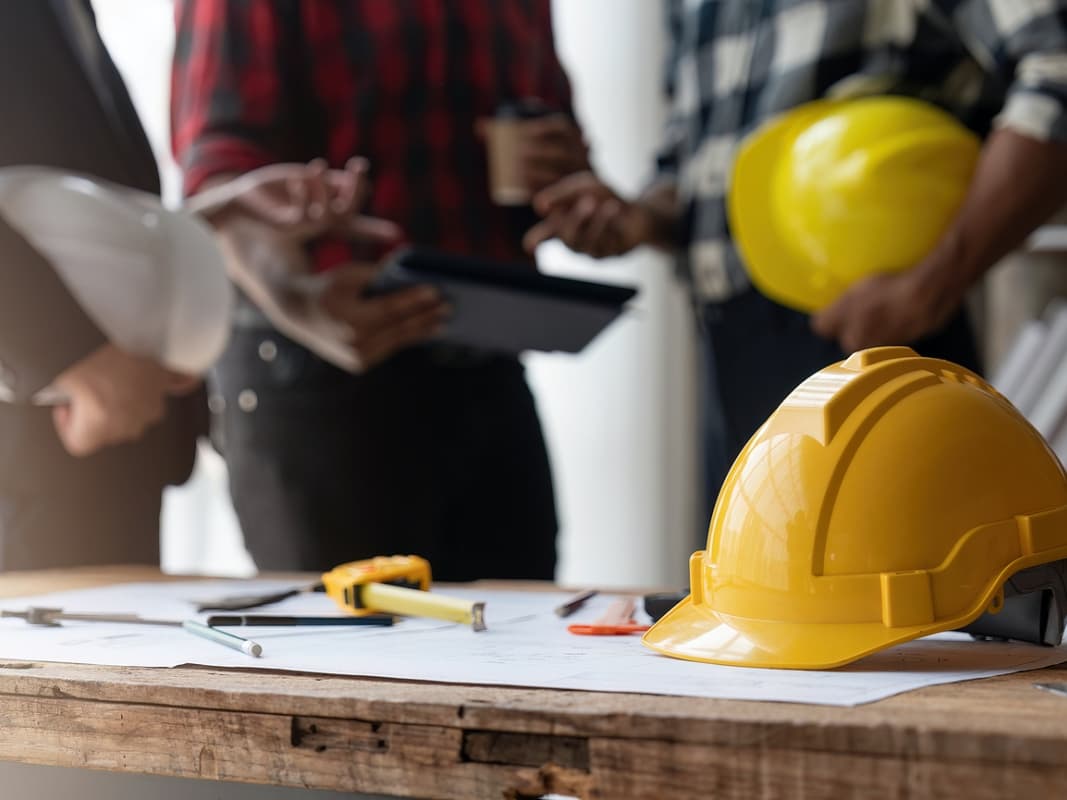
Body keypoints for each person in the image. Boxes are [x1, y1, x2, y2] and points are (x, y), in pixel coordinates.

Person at [524, 0, 1067, 499]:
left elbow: (1056, 65)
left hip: (879, 335)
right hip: (729, 351)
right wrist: (636, 217)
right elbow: (691, 172)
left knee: (898, 597)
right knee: (753, 598)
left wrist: (931, 285)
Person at [171, 0, 590, 580]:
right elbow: (219, 169)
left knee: (514, 653)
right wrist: (295, 295)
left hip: (488, 369)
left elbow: (554, 134)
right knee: (344, 662)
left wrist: (571, 180)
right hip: (315, 376)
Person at [0, 1, 392, 570]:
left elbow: (68, 200)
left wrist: (215, 215)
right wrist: (72, 357)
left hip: (106, 436)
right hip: (45, 431)